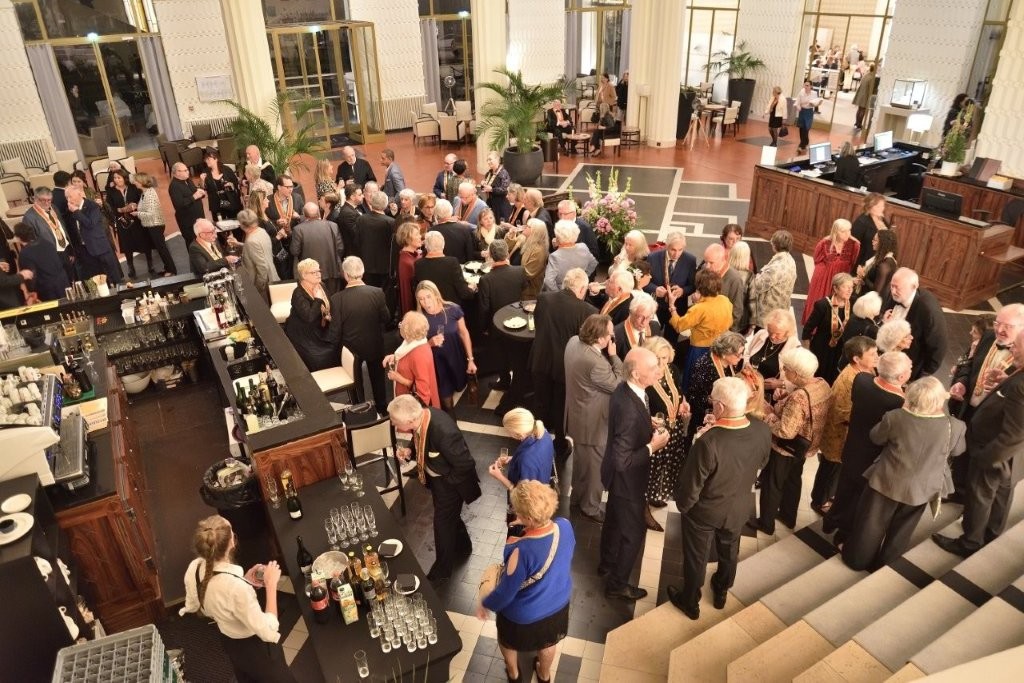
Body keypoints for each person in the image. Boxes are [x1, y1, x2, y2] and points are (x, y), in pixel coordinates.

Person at [667, 377, 770, 619]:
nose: (712, 404)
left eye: (713, 401)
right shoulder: (762, 429)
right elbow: (762, 462)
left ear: (720, 407)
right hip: (739, 507)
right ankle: (722, 590)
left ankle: (690, 601)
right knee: (729, 550)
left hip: (705, 512)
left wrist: (684, 507)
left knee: (697, 558)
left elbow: (692, 485)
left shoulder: (708, 441)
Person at [844, 377, 966, 570]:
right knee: (902, 531)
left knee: (870, 525)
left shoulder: (895, 417)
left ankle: (857, 560)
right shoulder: (956, 426)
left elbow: (876, 437)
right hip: (923, 488)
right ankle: (885, 566)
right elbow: (958, 451)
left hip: (886, 482)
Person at [934, 327, 1024, 558]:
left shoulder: (1020, 387)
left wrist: (987, 458)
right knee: (1002, 492)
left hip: (995, 450)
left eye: (1017, 346)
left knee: (980, 495)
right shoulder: (1018, 377)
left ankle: (970, 542)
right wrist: (1006, 381)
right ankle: (992, 532)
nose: (1012, 349)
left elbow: (1014, 432)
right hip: (1009, 454)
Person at [477, 481, 574, 683]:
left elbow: (505, 594)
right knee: (548, 643)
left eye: (518, 511)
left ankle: (514, 674)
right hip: (557, 604)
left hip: (523, 615)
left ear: (528, 517)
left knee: (507, 642)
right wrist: (527, 528)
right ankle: (544, 675)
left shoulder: (520, 551)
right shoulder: (565, 526)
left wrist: (484, 603)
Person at [179, 515, 295, 683]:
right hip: (257, 651)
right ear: (231, 542)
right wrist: (271, 585)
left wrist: (245, 581)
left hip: (231, 643)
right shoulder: (236, 588)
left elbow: (200, 602)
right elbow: (268, 629)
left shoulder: (195, 567)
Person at [599, 347, 671, 601]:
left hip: (616, 478)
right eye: (653, 368)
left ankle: (606, 563)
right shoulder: (629, 408)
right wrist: (653, 446)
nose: (659, 371)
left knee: (613, 521)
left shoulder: (626, 389)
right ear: (637, 374)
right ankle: (617, 584)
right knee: (634, 532)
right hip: (627, 481)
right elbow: (623, 461)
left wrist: (646, 423)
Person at [389, 394, 481, 581]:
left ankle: (442, 571)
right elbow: (420, 437)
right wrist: (410, 450)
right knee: (450, 517)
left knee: (442, 525)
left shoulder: (443, 431)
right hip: (439, 481)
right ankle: (464, 546)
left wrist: (446, 483)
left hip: (451, 484)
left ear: (410, 420)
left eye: (394, 420)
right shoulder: (422, 417)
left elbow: (465, 464)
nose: (392, 423)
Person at [824, 351, 911, 543]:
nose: (911, 370)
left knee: (843, 488)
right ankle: (843, 533)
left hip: (852, 446)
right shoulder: (899, 404)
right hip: (872, 457)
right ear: (901, 377)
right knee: (858, 497)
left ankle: (830, 520)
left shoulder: (862, 380)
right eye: (910, 368)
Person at [947, 304, 1024, 499]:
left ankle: (972, 503)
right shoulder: (988, 336)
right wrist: (961, 383)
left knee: (981, 473)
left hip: (994, 423)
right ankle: (957, 491)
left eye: (1008, 326)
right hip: (970, 410)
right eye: (998, 323)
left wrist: (1005, 383)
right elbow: (968, 364)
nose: (1000, 330)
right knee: (962, 454)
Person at [753, 347, 832, 534]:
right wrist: (786, 398)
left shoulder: (798, 397)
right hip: (805, 446)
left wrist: (768, 414)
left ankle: (766, 523)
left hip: (786, 448)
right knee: (793, 480)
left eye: (786, 368)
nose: (783, 371)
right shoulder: (822, 383)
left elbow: (785, 431)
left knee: (772, 483)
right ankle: (788, 517)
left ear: (796, 373)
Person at [530, 268, 597, 459]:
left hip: (540, 359)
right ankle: (559, 445)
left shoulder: (544, 298)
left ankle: (537, 443)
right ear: (582, 289)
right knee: (561, 407)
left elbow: (538, 323)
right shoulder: (588, 311)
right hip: (566, 368)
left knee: (541, 403)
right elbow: (586, 344)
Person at [564, 314, 623, 524]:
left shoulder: (573, 342)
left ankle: (577, 497)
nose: (612, 337)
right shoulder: (596, 362)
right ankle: (590, 507)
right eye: (610, 334)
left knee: (582, 462)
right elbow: (619, 384)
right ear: (600, 338)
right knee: (596, 469)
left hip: (577, 416)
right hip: (593, 424)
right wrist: (614, 357)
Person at [812, 336, 879, 514]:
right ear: (856, 358)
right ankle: (820, 501)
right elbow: (843, 412)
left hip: (848, 435)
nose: (877, 357)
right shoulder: (850, 379)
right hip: (838, 436)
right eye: (872, 354)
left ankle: (829, 497)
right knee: (830, 470)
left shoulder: (866, 371)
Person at [329, 256, 390, 414]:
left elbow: (335, 330)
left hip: (351, 349)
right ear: (362, 273)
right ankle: (382, 409)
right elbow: (386, 318)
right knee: (378, 380)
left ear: (345, 275)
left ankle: (360, 412)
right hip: (374, 344)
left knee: (356, 384)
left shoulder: (337, 299)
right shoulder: (377, 292)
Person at [643, 336, 691, 529]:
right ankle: (643, 508)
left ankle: (654, 496)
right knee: (649, 472)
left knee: (665, 467)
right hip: (652, 432)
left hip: (674, 428)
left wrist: (683, 403)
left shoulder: (673, 370)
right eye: (657, 358)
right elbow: (638, 405)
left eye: (664, 357)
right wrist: (648, 419)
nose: (661, 362)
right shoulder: (644, 375)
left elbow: (678, 391)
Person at [416, 280, 477, 413]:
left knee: (460, 386)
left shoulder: (453, 309)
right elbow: (416, 348)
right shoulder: (419, 318)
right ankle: (450, 420)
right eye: (421, 299)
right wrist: (429, 343)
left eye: (428, 297)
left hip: (456, 358)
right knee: (446, 399)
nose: (426, 302)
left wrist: (470, 360)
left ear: (436, 295)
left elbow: (464, 333)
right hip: (436, 364)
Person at [668, 270, 733, 388]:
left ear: (699, 287)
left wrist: (672, 306)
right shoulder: (725, 300)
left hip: (700, 351)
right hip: (720, 349)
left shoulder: (699, 308)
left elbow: (679, 326)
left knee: (694, 383)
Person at [882, 267, 946, 380]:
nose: (893, 291)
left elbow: (938, 347)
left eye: (897, 288)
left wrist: (923, 374)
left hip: (910, 368)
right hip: (890, 358)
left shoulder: (929, 310)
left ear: (914, 287)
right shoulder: (895, 295)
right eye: (892, 286)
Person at [478, 240, 525, 386]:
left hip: (496, 324)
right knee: (517, 353)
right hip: (518, 319)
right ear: (507, 253)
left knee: (500, 354)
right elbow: (524, 291)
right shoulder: (520, 271)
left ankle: (504, 381)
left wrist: (483, 327)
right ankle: (519, 382)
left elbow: (484, 308)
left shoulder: (486, 279)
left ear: (491, 256)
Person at [685, 331, 746, 443]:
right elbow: (694, 397)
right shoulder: (705, 366)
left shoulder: (730, 363)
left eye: (742, 352)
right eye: (738, 354)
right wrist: (714, 400)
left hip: (722, 413)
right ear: (725, 353)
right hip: (704, 417)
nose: (741, 357)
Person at [802, 218, 859, 325]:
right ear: (836, 231)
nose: (847, 234)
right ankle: (813, 325)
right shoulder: (824, 243)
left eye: (849, 230)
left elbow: (853, 262)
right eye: (843, 231)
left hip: (840, 278)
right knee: (819, 301)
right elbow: (817, 260)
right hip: (824, 278)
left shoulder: (854, 245)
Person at [802, 272, 856, 385]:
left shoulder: (853, 304)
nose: (850, 290)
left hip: (840, 350)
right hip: (821, 348)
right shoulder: (822, 305)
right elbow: (807, 330)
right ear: (835, 288)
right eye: (846, 287)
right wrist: (807, 353)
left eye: (851, 287)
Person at [284, 258, 336, 371]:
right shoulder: (298, 293)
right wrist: (317, 299)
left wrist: (328, 316)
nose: (318, 274)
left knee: (337, 344)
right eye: (314, 272)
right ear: (304, 275)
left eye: (319, 271)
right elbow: (309, 317)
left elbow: (330, 305)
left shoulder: (321, 286)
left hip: (320, 327)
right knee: (317, 357)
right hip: (303, 332)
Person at [646, 232, 698, 339]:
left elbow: (693, 285)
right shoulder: (652, 258)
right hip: (656, 307)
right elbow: (644, 282)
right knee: (652, 338)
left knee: (671, 340)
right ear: (666, 246)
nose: (676, 254)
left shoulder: (690, 260)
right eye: (673, 250)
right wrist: (655, 289)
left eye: (680, 250)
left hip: (677, 308)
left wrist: (682, 291)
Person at [65, 185, 122, 284]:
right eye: (67, 197)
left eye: (70, 196)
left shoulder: (92, 206)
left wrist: (76, 211)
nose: (68, 200)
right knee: (98, 277)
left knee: (112, 273)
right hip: (85, 250)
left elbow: (90, 224)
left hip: (99, 246)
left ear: (79, 194)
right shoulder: (70, 210)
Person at [487, 409, 555, 491]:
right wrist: (514, 458)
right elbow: (538, 457)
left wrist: (500, 476)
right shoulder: (543, 432)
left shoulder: (526, 460)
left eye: (508, 431)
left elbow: (524, 495)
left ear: (517, 434)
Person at [384, 311, 440, 408]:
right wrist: (395, 357)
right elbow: (408, 357)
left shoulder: (419, 354)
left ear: (408, 331)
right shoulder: (414, 342)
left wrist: (399, 378)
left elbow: (423, 392)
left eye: (401, 324)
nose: (400, 326)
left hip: (412, 407)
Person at [21, 187, 75, 285]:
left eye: (49, 200)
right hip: (50, 254)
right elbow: (31, 243)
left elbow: (62, 228)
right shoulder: (29, 217)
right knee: (60, 282)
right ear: (35, 199)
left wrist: (70, 250)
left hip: (64, 249)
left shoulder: (54, 207)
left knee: (71, 277)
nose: (47, 203)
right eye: (43, 200)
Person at [744, 309, 801, 400]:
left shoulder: (795, 347)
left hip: (772, 396)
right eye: (770, 331)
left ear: (787, 332)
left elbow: (800, 379)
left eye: (777, 334)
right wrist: (746, 364)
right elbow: (747, 353)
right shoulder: (761, 334)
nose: (773, 336)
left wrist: (781, 384)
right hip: (750, 389)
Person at [290, 202, 343, 295]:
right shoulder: (333, 225)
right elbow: (340, 248)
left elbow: (294, 251)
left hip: (310, 273)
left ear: (304, 215)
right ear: (318, 212)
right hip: (332, 270)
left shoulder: (298, 229)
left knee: (316, 299)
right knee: (333, 298)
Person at [749, 230, 797, 332]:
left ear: (775, 245)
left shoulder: (776, 267)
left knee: (763, 338)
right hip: (781, 309)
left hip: (768, 315)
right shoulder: (791, 260)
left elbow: (758, 286)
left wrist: (756, 276)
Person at [104, 169, 146, 279]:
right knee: (127, 245)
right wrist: (122, 210)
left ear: (124, 178)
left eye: (119, 177)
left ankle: (150, 264)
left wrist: (135, 205)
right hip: (122, 221)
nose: (116, 180)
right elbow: (110, 208)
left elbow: (141, 200)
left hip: (136, 218)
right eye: (115, 178)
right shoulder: (111, 192)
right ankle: (131, 267)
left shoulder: (133, 187)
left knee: (143, 241)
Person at [413, 231, 473, 304]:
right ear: (443, 245)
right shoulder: (452, 262)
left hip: (429, 305)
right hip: (450, 306)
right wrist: (472, 288)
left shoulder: (418, 264)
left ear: (426, 246)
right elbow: (464, 293)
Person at [13, 223, 65, 302]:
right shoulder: (46, 242)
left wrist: (30, 291)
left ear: (18, 237)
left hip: (47, 290)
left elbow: (30, 276)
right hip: (63, 282)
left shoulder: (25, 254)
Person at [353, 191, 395, 288]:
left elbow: (356, 241)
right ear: (385, 204)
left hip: (366, 265)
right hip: (385, 267)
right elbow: (393, 245)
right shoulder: (391, 222)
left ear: (371, 203)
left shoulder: (361, 219)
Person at [235, 209, 278, 303]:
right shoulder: (261, 231)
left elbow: (262, 267)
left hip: (264, 285)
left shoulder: (251, 241)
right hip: (272, 276)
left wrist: (257, 288)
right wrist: (238, 244)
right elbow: (259, 249)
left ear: (242, 225)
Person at [543, 220, 597, 291]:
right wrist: (583, 276)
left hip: (563, 292)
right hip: (580, 291)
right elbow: (594, 263)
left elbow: (548, 281)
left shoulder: (555, 256)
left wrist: (558, 293)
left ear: (558, 237)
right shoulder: (583, 247)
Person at [702, 243, 745, 332]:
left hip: (721, 330)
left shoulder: (735, 279)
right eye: (705, 262)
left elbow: (737, 311)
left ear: (723, 260)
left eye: (711, 263)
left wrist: (727, 332)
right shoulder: (707, 269)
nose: (707, 266)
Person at [265, 176, 300, 280]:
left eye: (292, 186)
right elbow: (264, 221)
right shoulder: (268, 201)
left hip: (293, 239)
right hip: (278, 242)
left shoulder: (297, 198)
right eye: (287, 187)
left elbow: (305, 216)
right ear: (279, 187)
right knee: (282, 270)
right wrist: (276, 222)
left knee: (295, 269)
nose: (291, 189)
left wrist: (298, 217)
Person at [613, 293, 662, 360]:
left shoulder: (655, 327)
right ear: (631, 313)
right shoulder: (617, 333)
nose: (643, 322)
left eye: (648, 317)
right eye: (640, 317)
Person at [168, 162, 206, 245]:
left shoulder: (188, 180)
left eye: (187, 170)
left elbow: (196, 193)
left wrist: (200, 190)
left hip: (198, 218)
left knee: (203, 242)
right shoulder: (174, 186)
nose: (188, 172)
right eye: (185, 170)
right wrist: (194, 197)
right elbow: (178, 204)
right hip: (188, 222)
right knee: (193, 244)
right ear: (177, 172)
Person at [851, 193, 889, 271]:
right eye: (878, 206)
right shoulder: (861, 221)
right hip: (864, 260)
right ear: (869, 206)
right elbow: (853, 243)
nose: (881, 209)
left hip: (878, 259)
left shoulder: (882, 219)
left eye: (882, 206)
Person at [201, 148, 242, 221]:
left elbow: (236, 183)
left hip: (230, 200)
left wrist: (231, 184)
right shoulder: (205, 172)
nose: (206, 161)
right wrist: (202, 181)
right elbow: (204, 188)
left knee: (234, 222)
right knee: (219, 224)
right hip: (216, 203)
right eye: (205, 159)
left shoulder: (226, 169)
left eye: (208, 159)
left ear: (216, 159)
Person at [857, 229, 897, 299]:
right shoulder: (882, 258)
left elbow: (877, 291)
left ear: (883, 243)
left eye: (875, 240)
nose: (872, 241)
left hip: (872, 301)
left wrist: (863, 276)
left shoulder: (886, 263)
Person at [433, 199, 476, 264]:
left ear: (436, 213)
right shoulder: (464, 229)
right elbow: (470, 254)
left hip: (441, 267)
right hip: (461, 267)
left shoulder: (432, 232)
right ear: (451, 211)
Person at [519, 218, 550, 299]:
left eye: (528, 226)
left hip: (530, 293)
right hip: (524, 289)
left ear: (535, 231)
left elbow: (528, 274)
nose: (525, 227)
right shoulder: (529, 242)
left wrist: (510, 274)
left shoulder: (539, 251)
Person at [396, 221, 422, 315]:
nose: (420, 237)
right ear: (407, 239)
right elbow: (406, 294)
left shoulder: (414, 255)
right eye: (417, 234)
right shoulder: (405, 262)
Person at [727, 241, 753, 332]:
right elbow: (752, 301)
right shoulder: (750, 277)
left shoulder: (724, 272)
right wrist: (753, 323)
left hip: (723, 317)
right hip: (741, 321)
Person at [795, 79, 821, 153]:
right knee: (801, 128)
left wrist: (814, 103)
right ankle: (804, 142)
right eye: (805, 85)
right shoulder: (801, 92)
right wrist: (798, 107)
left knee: (806, 128)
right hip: (802, 111)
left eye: (807, 85)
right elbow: (797, 102)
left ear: (811, 86)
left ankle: (802, 145)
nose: (805, 87)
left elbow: (816, 103)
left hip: (809, 112)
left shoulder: (814, 93)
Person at [481, 150, 510, 216]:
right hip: (490, 203)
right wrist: (483, 185)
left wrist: (492, 189)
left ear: (497, 159)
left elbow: (505, 190)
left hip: (500, 205)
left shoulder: (503, 173)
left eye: (490, 159)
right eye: (487, 160)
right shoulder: (488, 173)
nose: (488, 162)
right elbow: (485, 189)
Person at [336, 185, 363, 257]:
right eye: (360, 195)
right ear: (352, 197)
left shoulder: (353, 209)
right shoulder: (348, 213)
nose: (363, 196)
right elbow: (356, 234)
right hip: (354, 252)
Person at [853, 62, 877, 130]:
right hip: (866, 95)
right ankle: (859, 124)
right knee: (863, 110)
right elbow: (870, 89)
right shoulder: (872, 77)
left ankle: (856, 123)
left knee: (859, 109)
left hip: (861, 94)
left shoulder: (866, 75)